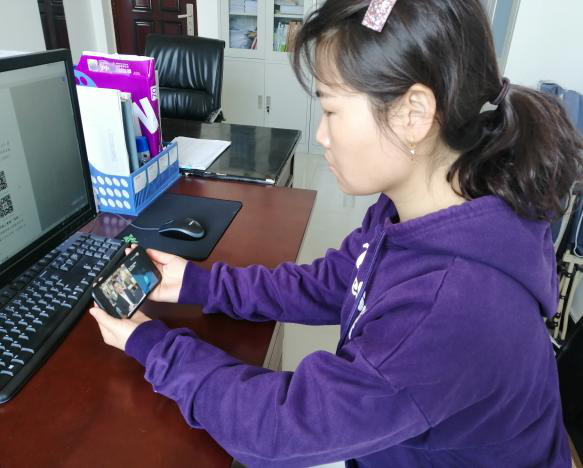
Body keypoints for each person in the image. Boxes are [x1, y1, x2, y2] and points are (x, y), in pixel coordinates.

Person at [90, 0, 583, 466]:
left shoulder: (451, 305)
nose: (321, 135)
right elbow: (332, 283)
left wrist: (153, 346)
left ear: (413, 114)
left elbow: (281, 428)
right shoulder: (418, 209)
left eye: (330, 109)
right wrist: (201, 284)